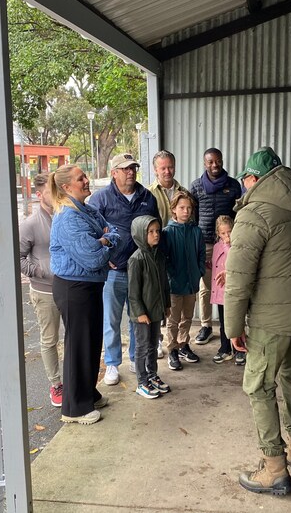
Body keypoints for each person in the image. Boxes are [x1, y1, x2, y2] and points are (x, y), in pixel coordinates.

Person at [224, 147, 291, 495]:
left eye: (246, 180)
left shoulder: (254, 214)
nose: (244, 186)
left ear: (253, 179)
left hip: (272, 319)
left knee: (259, 386)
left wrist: (233, 328)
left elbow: (237, 280)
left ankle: (274, 469)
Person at [49, 165, 120, 425]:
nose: (87, 180)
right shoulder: (68, 217)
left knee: (91, 342)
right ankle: (75, 408)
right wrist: (104, 241)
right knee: (79, 345)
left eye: (85, 176)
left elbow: (115, 232)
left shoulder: (86, 210)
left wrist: (104, 240)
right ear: (66, 187)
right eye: (81, 178)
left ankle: (88, 393)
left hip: (89, 286)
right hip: (73, 288)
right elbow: (92, 258)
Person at [89, 153, 159, 386]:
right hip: (114, 271)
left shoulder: (147, 197)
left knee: (138, 318)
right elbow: (91, 232)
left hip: (141, 271)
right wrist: (103, 257)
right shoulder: (101, 199)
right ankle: (112, 363)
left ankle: (136, 358)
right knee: (111, 319)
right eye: (125, 169)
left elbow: (156, 228)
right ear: (114, 172)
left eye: (133, 168)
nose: (131, 172)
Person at [19, 173, 63, 407]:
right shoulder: (30, 224)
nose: (55, 195)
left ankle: (75, 381)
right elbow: (18, 257)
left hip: (69, 288)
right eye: (49, 191)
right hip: (45, 292)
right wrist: (40, 271)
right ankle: (56, 385)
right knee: (50, 339)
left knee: (74, 336)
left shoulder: (65, 216)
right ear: (39, 195)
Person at [190, 148, 241, 345]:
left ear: (222, 161)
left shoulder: (233, 185)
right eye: (210, 162)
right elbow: (192, 216)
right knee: (205, 287)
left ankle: (232, 327)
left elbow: (238, 214)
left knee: (229, 284)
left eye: (218, 161)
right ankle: (206, 326)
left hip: (227, 243)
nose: (215, 165)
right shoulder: (196, 187)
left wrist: (233, 239)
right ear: (205, 164)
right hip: (205, 244)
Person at [148, 150, 189, 359]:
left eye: (170, 167)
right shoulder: (148, 193)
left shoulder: (184, 192)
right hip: (157, 253)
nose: (167, 171)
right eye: (162, 168)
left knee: (178, 300)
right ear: (155, 170)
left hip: (179, 254)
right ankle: (156, 339)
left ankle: (180, 342)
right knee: (157, 297)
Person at [128, 215, 171, 399]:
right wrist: (139, 312)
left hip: (156, 311)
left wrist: (166, 305)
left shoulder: (159, 256)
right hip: (142, 315)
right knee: (142, 347)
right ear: (140, 234)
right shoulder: (136, 259)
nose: (156, 235)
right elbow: (133, 292)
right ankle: (141, 382)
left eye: (157, 231)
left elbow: (164, 284)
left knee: (153, 345)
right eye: (150, 232)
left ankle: (152, 376)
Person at [162, 191, 205, 371]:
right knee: (173, 320)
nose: (186, 211)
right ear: (174, 209)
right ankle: (172, 349)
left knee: (187, 317)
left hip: (191, 283)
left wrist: (199, 272)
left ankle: (183, 344)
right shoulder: (168, 232)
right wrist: (171, 276)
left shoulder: (196, 231)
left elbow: (201, 254)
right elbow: (164, 259)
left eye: (188, 208)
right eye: (181, 208)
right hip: (174, 285)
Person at [210, 215, 244, 366]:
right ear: (218, 233)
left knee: (236, 321)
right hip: (220, 291)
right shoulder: (216, 247)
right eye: (223, 233)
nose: (227, 236)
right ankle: (225, 349)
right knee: (223, 323)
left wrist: (226, 245)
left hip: (233, 291)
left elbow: (233, 259)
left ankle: (240, 349)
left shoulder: (237, 246)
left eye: (229, 232)